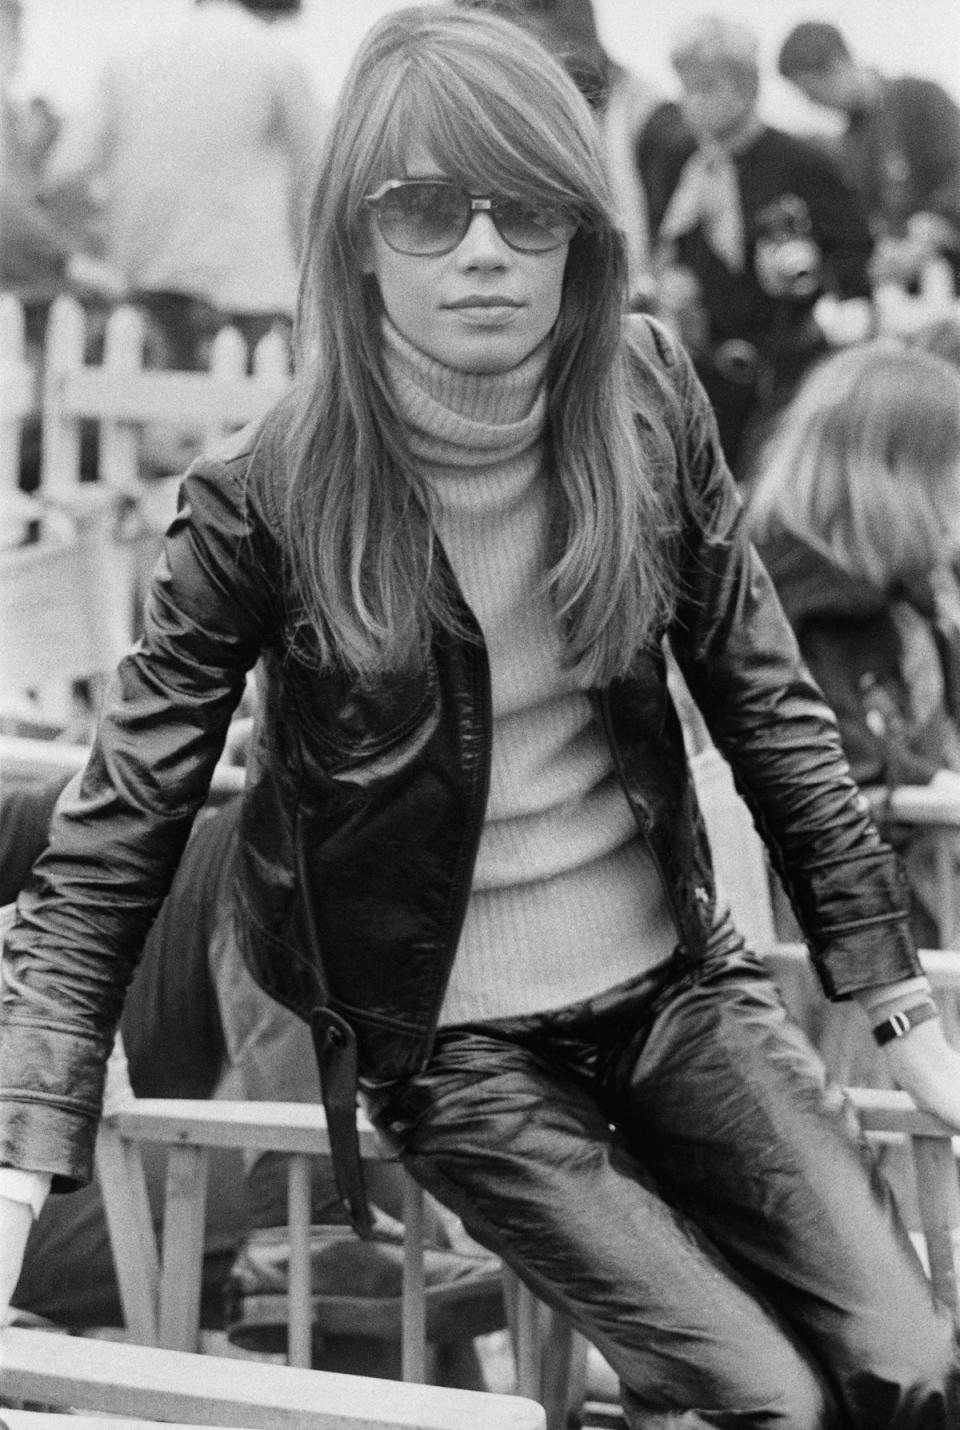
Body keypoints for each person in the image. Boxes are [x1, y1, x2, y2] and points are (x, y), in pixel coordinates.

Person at [1, 8, 959, 1425]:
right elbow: (118, 824)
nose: (485, 250)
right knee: (776, 1399)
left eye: (528, 208)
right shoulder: (262, 494)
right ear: (358, 234)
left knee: (918, 1367)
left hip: (676, 987)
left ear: (583, 231)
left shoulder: (645, 400)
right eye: (430, 208)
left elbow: (771, 708)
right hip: (456, 1040)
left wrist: (897, 1005)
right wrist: (26, 1143)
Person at [747, 340, 960, 950]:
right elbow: (836, 757)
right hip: (848, 933)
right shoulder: (789, 609)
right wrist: (931, 782)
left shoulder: (908, 591)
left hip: (920, 892)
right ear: (892, 478)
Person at [635, 14, 873, 476]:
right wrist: (672, 279)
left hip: (787, 367)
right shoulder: (683, 161)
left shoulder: (799, 159)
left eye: (707, 88)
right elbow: (668, 244)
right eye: (687, 88)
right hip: (707, 363)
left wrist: (814, 283)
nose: (692, 103)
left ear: (746, 89)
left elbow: (854, 246)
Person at [41, 0, 324, 371]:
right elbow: (324, 172)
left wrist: (101, 230)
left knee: (147, 420)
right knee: (251, 422)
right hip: (250, 299)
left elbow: (62, 173)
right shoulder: (275, 59)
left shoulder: (129, 54)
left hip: (146, 292)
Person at [777, 21, 960, 289]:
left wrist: (931, 229)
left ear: (837, 65)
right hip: (915, 280)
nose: (814, 104)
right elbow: (872, 216)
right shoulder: (850, 143)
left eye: (812, 93)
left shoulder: (918, 97)